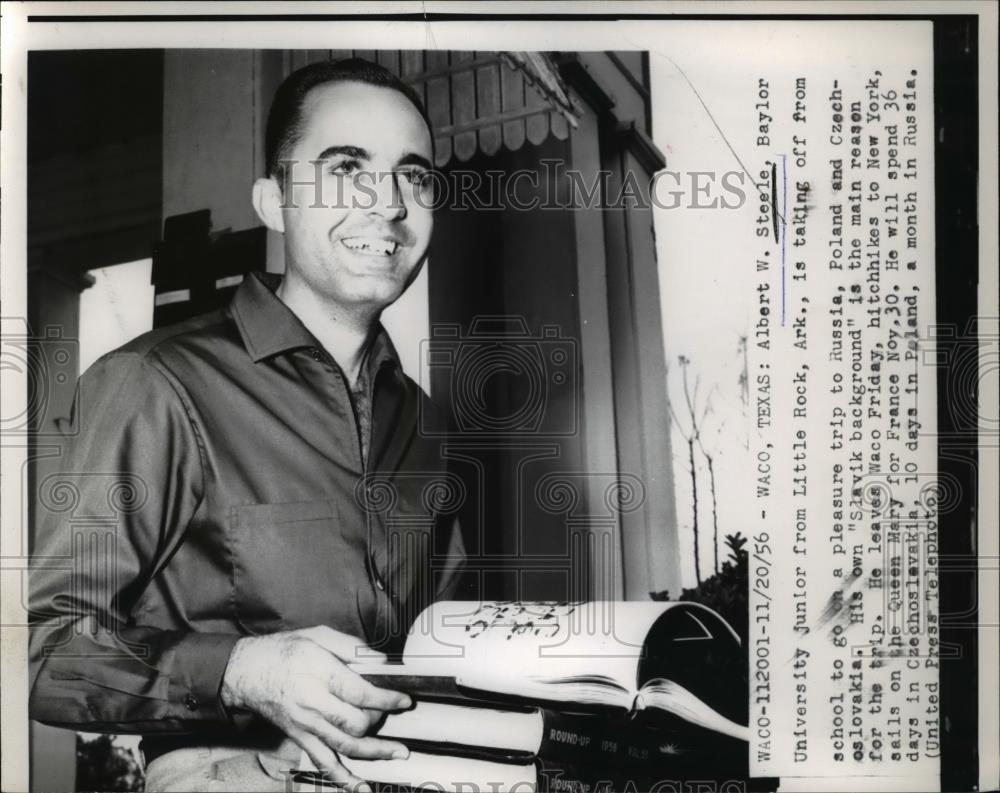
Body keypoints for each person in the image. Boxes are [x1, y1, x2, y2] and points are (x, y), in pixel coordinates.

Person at [29, 58, 467, 792]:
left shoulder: (423, 421)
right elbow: (37, 650)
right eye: (346, 167)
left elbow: (439, 641)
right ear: (273, 201)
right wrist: (242, 670)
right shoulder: (154, 381)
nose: (387, 203)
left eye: (414, 176)